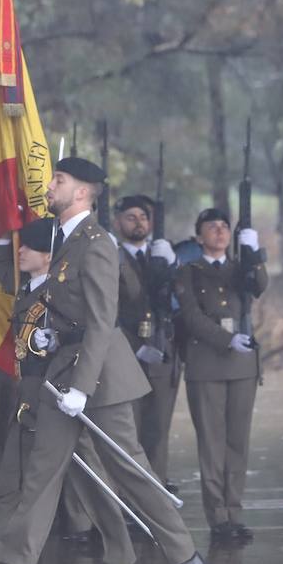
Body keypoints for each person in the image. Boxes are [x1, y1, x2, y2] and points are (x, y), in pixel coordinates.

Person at [0, 158, 204, 564]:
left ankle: (184, 556)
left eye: (60, 181)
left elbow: (102, 321)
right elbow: (70, 312)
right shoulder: (67, 242)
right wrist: (50, 334)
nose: (50, 186)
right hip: (62, 373)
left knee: (131, 473)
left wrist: (82, 389)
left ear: (83, 193)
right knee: (41, 471)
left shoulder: (96, 244)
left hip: (100, 380)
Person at [0, 216, 135, 564]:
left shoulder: (60, 297)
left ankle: (117, 560)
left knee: (91, 485)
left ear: (49, 256)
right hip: (34, 404)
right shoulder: (30, 286)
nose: (19, 251)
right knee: (8, 483)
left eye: (26, 245)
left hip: (61, 404)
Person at [174, 207, 267, 542]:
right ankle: (218, 519)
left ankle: (235, 512)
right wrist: (227, 339)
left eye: (225, 227)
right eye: (211, 227)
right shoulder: (188, 271)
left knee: (237, 443)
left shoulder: (240, 267)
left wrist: (253, 252)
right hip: (207, 365)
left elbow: (259, 285)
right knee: (212, 445)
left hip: (242, 367)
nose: (219, 231)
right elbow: (191, 317)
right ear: (200, 237)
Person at [112, 194, 181, 486]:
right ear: (118, 222)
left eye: (143, 217)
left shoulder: (162, 254)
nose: (138, 223)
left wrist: (173, 265)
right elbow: (110, 312)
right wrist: (136, 348)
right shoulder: (112, 257)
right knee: (129, 431)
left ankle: (158, 490)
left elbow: (181, 303)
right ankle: (129, 497)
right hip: (128, 356)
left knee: (158, 431)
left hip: (162, 355)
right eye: (131, 217)